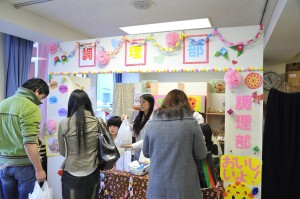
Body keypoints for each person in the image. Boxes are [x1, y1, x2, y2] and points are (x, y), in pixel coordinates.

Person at [142, 89, 207, 199]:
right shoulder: (191, 124)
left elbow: (146, 153)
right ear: (185, 103)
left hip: (157, 185)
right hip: (184, 187)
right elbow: (201, 154)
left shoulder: (151, 124)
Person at [0, 78, 49, 199]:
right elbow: (29, 143)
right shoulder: (31, 108)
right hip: (24, 165)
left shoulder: (2, 104)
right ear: (36, 91)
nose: (40, 102)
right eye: (41, 98)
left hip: (4, 164)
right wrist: (39, 169)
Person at [58, 89, 104, 199]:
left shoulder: (64, 123)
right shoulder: (98, 121)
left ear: (71, 104)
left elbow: (62, 152)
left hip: (71, 171)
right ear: (88, 103)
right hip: (92, 169)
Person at [123, 94, 154, 161]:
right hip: (137, 150)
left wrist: (133, 145)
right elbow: (131, 127)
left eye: (143, 102)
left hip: (147, 151)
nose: (141, 104)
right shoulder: (139, 117)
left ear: (150, 103)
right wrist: (125, 120)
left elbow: (148, 138)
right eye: (140, 102)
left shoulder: (153, 119)